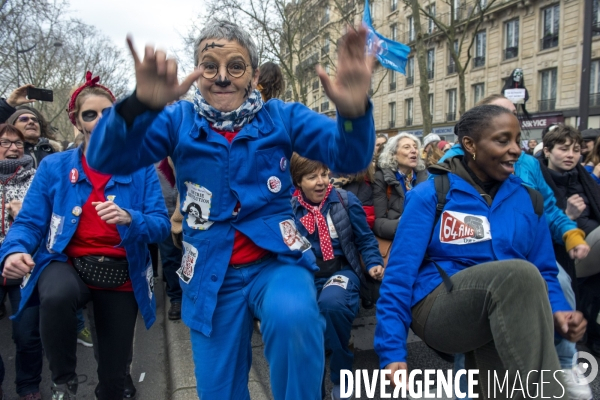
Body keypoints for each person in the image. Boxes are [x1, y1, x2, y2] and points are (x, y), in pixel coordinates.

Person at [85, 20, 375, 400]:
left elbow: (350, 155)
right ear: (197, 72)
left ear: (254, 75)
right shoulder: (178, 121)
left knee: (295, 317)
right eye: (210, 66)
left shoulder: (281, 117)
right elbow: (106, 157)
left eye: (235, 66)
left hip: (276, 265)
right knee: (218, 390)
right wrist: (139, 106)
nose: (222, 77)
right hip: (210, 276)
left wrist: (353, 113)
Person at [375, 105, 585, 398]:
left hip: (503, 304)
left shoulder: (530, 199)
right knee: (518, 273)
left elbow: (546, 271)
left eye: (517, 140)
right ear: (470, 145)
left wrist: (560, 311)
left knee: (497, 390)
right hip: (436, 307)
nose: (515, 150)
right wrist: (392, 351)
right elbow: (398, 275)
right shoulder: (431, 194)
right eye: (503, 140)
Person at [0, 72, 170, 400]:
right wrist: (14, 250)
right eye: (90, 114)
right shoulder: (54, 167)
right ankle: (63, 379)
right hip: (68, 265)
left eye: (109, 113)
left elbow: (161, 225)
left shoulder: (141, 167)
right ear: (77, 122)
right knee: (56, 294)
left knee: (114, 377)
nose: (101, 120)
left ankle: (111, 385)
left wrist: (130, 218)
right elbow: (31, 222)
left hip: (121, 275)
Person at [290, 154, 382, 400]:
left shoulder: (345, 200)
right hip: (306, 275)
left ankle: (341, 375)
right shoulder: (288, 209)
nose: (321, 182)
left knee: (331, 304)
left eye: (324, 174)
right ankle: (312, 386)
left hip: (341, 270)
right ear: (298, 181)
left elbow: (365, 238)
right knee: (302, 319)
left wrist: (373, 262)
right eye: (312, 177)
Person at [0, 124, 43, 400]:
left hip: (25, 264)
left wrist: (22, 212)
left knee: (26, 334)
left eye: (18, 144)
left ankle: (28, 386)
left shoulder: (38, 178)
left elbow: (50, 219)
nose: (14, 148)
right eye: (5, 142)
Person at [373, 133, 428, 240]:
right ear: (393, 154)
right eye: (407, 147)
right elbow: (378, 222)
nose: (413, 150)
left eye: (415, 147)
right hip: (398, 239)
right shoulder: (381, 178)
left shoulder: (427, 178)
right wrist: (406, 226)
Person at [1, 85, 60, 167]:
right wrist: (9, 103)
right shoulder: (7, 152)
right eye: (24, 119)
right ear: (13, 126)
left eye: (35, 120)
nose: (31, 122)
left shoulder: (54, 151)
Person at [156, 158, 184, 320]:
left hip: (189, 212)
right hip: (164, 213)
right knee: (169, 258)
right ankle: (176, 298)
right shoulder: (152, 155)